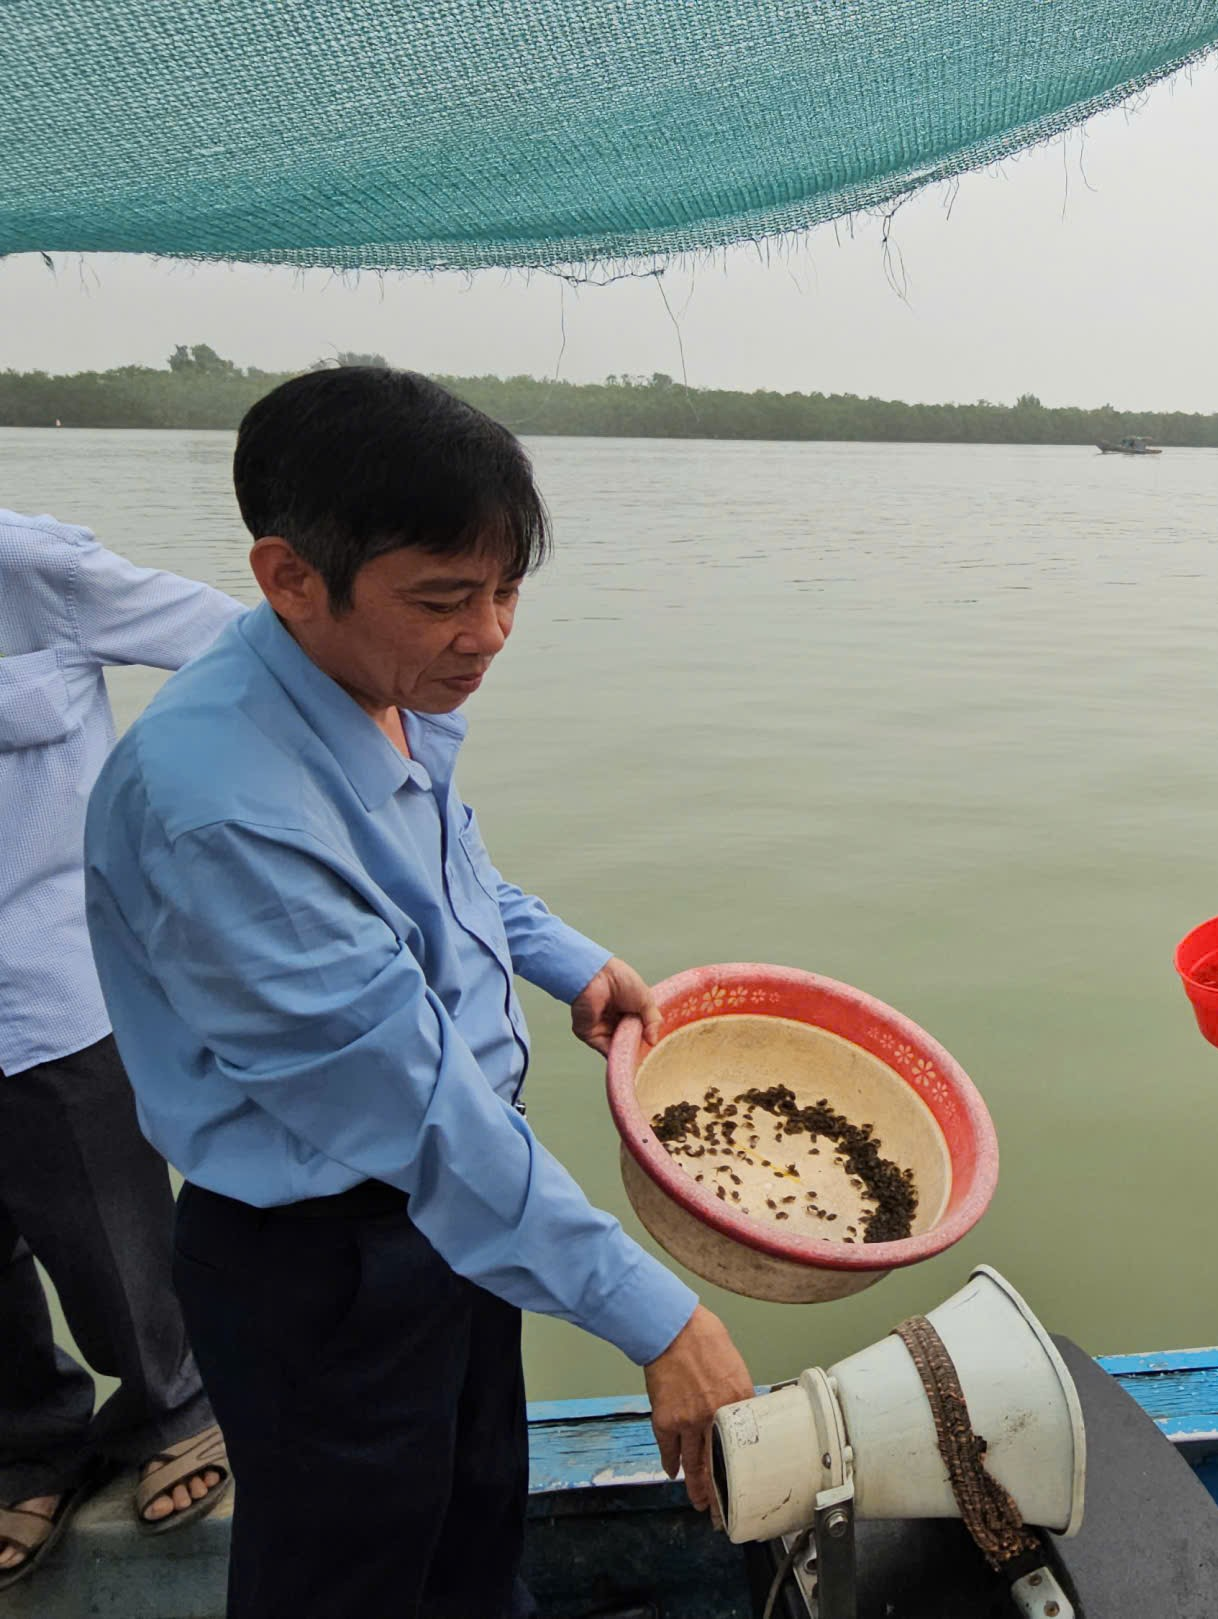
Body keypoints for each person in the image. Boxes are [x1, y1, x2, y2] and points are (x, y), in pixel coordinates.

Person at [82, 367, 756, 1619]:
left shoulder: (368, 685)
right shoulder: (224, 812)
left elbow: (442, 868)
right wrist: (663, 1320)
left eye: (507, 590)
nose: (488, 634)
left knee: (472, 1523)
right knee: (345, 1574)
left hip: (457, 1222)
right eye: (445, 598)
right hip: (326, 1263)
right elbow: (419, 1113)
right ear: (291, 575)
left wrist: (566, 957)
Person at [0, 513, 240, 1589]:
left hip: (48, 979)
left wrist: (178, 829)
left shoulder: (32, 569)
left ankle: (173, 1407)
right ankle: (26, 1443)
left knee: (108, 1228)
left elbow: (242, 649)